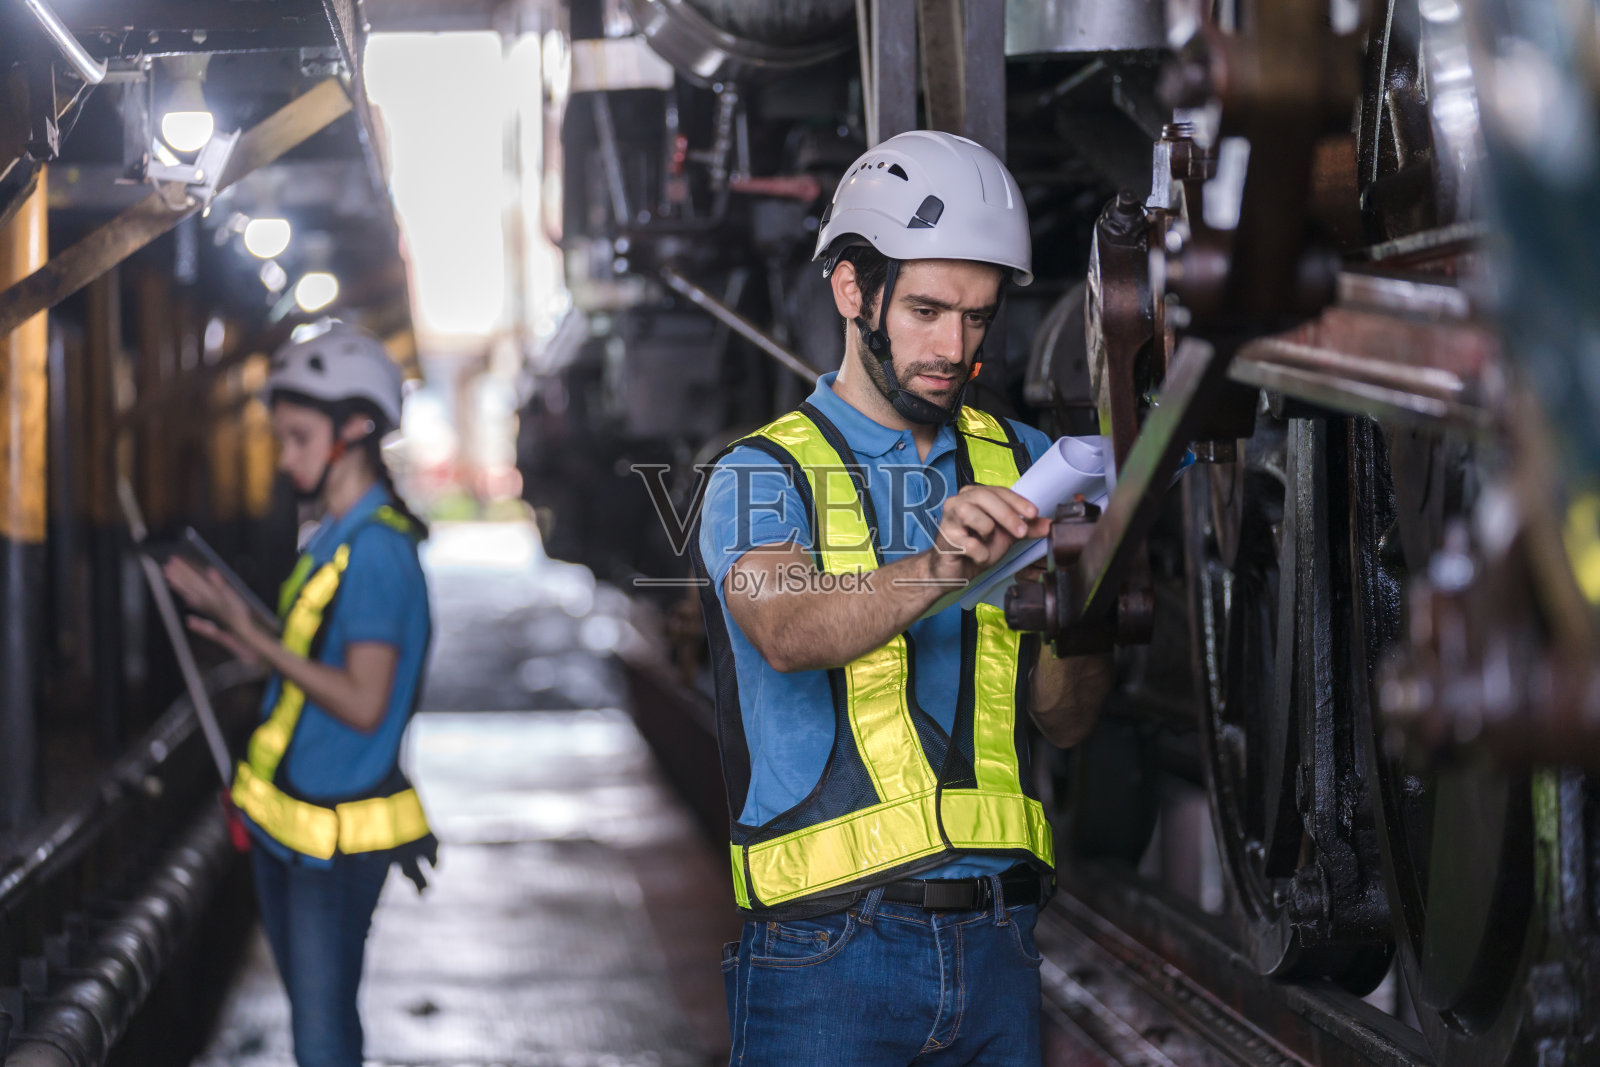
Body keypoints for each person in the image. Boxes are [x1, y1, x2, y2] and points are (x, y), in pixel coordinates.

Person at [693, 130, 1113, 1064]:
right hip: (825, 958)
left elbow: (1066, 717)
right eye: (926, 310)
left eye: (977, 317)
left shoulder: (1025, 463)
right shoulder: (761, 473)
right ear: (853, 290)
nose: (953, 348)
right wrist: (945, 566)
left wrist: (1086, 594)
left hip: (1000, 948)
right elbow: (789, 630)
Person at [164, 322, 436, 1067]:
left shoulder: (377, 551)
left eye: (297, 438)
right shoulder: (334, 537)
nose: (284, 459)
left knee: (320, 1039)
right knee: (320, 1027)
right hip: (292, 826)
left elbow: (361, 701)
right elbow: (306, 659)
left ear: (354, 429)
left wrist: (255, 641)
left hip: (333, 843)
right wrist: (240, 621)